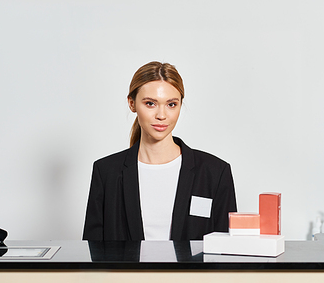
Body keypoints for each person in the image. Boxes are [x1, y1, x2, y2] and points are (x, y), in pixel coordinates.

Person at [83, 61, 237, 241]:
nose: (162, 115)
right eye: (150, 103)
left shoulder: (215, 172)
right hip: (127, 271)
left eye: (171, 104)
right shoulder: (106, 172)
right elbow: (92, 252)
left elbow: (227, 249)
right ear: (132, 104)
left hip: (193, 271)